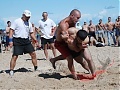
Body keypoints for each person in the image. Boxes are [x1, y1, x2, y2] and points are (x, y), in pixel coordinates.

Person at [50, 9, 89, 80]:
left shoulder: (72, 22)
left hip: (67, 42)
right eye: (77, 18)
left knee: (79, 59)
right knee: (70, 58)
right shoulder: (63, 24)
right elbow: (67, 40)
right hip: (60, 44)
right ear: (72, 16)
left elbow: (74, 34)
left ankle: (53, 60)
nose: (78, 20)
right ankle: (74, 75)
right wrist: (76, 47)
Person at [9, 10, 38, 76]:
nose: (28, 18)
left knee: (33, 53)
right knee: (15, 56)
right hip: (17, 40)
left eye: (29, 17)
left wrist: (35, 40)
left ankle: (36, 67)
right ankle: (11, 70)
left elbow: (31, 33)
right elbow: (11, 30)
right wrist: (10, 40)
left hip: (26, 40)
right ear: (23, 15)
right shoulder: (17, 21)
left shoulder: (29, 23)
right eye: (27, 17)